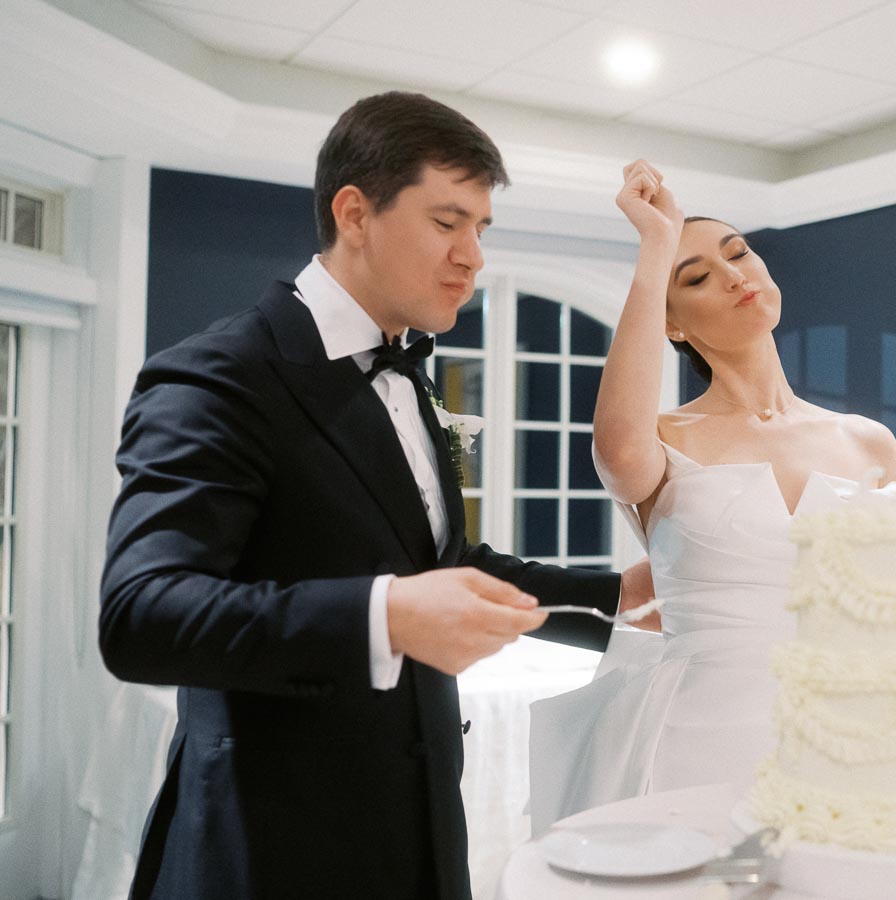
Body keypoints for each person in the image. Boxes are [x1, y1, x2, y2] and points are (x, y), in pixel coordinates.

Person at [99, 92, 654, 900]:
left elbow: (437, 559)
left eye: (481, 230)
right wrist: (385, 616)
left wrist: (616, 596)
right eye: (446, 222)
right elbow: (143, 615)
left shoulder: (408, 373)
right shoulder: (220, 374)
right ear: (355, 213)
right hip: (270, 849)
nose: (474, 257)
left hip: (420, 831)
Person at [528, 160, 896, 829]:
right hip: (704, 739)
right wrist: (654, 243)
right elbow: (617, 452)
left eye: (739, 254)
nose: (735, 274)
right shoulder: (660, 438)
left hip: (856, 731)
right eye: (697, 276)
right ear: (670, 322)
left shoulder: (867, 440)